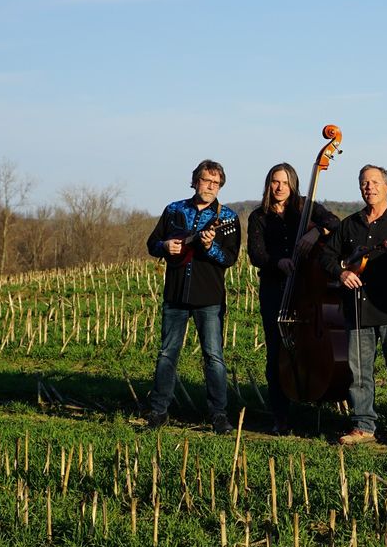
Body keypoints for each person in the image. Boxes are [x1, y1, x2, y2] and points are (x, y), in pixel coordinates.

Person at [319, 165, 387, 448]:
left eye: (375, 182)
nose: (370, 187)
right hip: (357, 310)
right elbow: (327, 257)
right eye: (364, 183)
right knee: (358, 373)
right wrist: (341, 273)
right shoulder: (349, 225)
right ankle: (363, 425)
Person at [144, 159, 241, 434]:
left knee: (214, 357)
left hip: (208, 296)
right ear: (195, 181)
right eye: (205, 180)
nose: (210, 186)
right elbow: (152, 244)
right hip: (175, 294)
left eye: (215, 183)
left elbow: (230, 258)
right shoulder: (173, 210)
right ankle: (159, 411)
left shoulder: (228, 218)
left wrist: (210, 247)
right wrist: (165, 245)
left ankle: (218, 415)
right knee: (166, 354)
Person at [246, 163, 340, 435]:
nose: (279, 188)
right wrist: (279, 262)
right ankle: (280, 416)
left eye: (285, 183)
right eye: (275, 182)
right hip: (275, 290)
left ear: (294, 184)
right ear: (268, 184)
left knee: (310, 346)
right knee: (277, 351)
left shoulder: (305, 208)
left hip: (307, 288)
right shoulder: (258, 216)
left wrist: (315, 231)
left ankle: (316, 400)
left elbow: (335, 223)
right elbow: (256, 255)